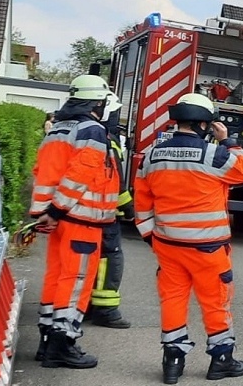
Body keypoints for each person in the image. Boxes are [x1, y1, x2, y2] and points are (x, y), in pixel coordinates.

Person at [133, 93, 243, 384]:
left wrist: (152, 237)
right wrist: (228, 141)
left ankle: (172, 362)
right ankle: (221, 359)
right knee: (215, 302)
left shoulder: (152, 154)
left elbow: (142, 202)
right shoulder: (214, 154)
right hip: (208, 248)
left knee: (173, 300)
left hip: (168, 246)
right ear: (204, 124)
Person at [30, 74, 120, 369]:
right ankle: (62, 345)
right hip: (80, 218)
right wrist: (57, 210)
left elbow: (40, 169)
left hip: (58, 218)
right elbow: (79, 176)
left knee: (56, 277)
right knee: (76, 281)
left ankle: (47, 341)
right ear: (97, 101)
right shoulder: (92, 130)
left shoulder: (57, 128)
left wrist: (45, 213)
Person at [86, 92, 134, 329]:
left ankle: (83, 305)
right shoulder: (107, 139)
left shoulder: (78, 131)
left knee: (87, 259)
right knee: (110, 256)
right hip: (103, 211)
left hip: (80, 210)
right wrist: (128, 207)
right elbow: (116, 180)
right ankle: (105, 310)